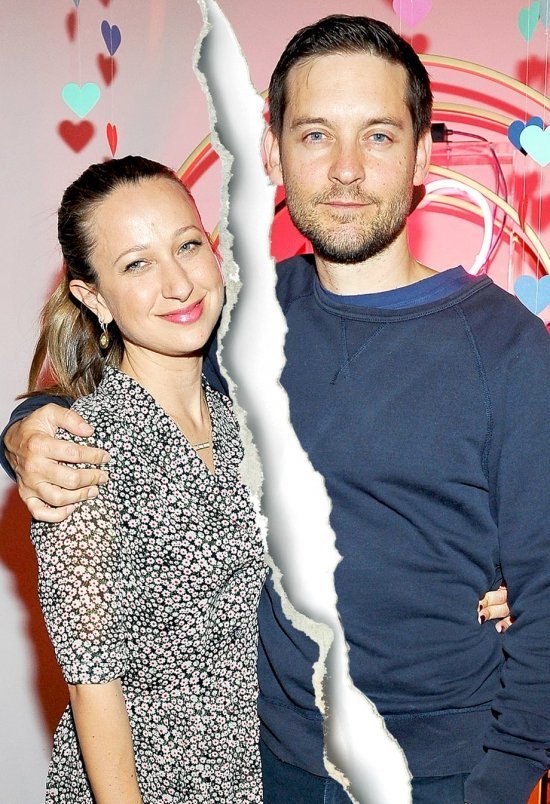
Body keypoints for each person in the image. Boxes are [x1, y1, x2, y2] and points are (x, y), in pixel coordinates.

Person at [2, 14, 546, 804]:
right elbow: (124, 373)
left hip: (439, 775)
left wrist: (497, 783)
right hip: (269, 766)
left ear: (423, 155)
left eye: (380, 136)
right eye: (317, 134)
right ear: (272, 153)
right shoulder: (240, 322)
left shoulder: (508, 348)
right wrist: (22, 429)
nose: (347, 169)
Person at [17, 156, 265, 802]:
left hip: (256, 775)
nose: (179, 284)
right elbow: (92, 683)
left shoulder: (246, 422)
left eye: (188, 246)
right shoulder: (81, 450)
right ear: (94, 298)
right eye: (137, 264)